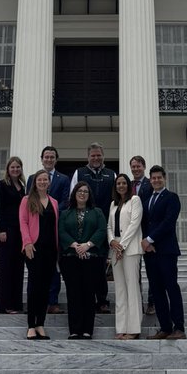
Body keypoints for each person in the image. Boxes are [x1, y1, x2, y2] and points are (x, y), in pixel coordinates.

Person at [141, 164, 186, 339]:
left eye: (159, 177)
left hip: (166, 251)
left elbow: (168, 222)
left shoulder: (172, 198)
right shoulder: (146, 200)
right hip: (150, 253)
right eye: (153, 178)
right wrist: (146, 242)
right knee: (157, 290)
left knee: (171, 287)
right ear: (150, 180)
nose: (156, 180)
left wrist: (150, 239)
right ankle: (165, 327)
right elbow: (143, 224)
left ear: (164, 178)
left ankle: (179, 327)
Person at [70, 143, 116, 312]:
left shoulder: (111, 174)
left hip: (103, 228)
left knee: (100, 264)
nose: (96, 158)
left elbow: (116, 201)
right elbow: (72, 199)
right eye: (93, 155)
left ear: (103, 156)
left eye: (99, 155)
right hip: (84, 227)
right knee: (84, 265)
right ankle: (86, 299)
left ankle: (102, 300)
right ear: (88, 157)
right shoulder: (79, 173)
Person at [59, 181, 106, 339]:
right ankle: (74, 329)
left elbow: (101, 230)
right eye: (79, 191)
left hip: (91, 259)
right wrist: (75, 246)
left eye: (85, 191)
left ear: (89, 195)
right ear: (74, 194)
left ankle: (87, 330)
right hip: (70, 259)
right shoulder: (65, 213)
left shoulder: (97, 212)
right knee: (73, 295)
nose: (82, 194)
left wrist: (87, 245)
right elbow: (62, 231)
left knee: (88, 294)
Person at [27, 145, 70, 314]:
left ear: (56, 159)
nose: (49, 160)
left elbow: (65, 201)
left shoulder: (63, 179)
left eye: (52, 157)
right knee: (36, 268)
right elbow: (28, 200)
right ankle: (37, 301)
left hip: (55, 227)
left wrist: (50, 210)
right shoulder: (32, 178)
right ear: (42, 158)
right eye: (46, 157)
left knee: (53, 267)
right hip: (36, 229)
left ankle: (52, 301)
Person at [19, 169, 59, 339]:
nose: (43, 182)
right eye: (40, 180)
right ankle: (30, 325)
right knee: (34, 287)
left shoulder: (54, 202)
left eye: (45, 180)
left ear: (49, 183)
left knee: (45, 288)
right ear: (35, 182)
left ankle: (40, 323)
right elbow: (23, 222)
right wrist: (27, 242)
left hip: (51, 250)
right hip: (34, 248)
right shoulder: (27, 200)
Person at [108, 173, 143, 339]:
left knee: (132, 287)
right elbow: (109, 226)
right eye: (118, 183)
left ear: (128, 185)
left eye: (123, 183)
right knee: (120, 289)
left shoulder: (135, 200)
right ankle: (121, 327)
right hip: (115, 249)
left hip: (130, 249)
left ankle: (134, 329)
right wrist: (112, 243)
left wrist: (122, 246)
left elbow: (134, 224)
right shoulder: (113, 204)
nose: (121, 186)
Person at [0, 156, 25, 314]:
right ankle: (4, 305)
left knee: (18, 268)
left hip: (20, 232)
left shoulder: (23, 186)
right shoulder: (2, 185)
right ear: (8, 169)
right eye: (12, 167)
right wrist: (1, 230)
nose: (15, 169)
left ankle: (16, 304)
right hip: (6, 232)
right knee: (5, 268)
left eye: (18, 167)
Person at [129, 155, 154, 314]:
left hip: (147, 233)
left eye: (138, 166)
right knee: (134, 271)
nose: (135, 169)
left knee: (151, 271)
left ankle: (152, 302)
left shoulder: (150, 184)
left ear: (143, 167)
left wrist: (151, 237)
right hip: (132, 234)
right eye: (133, 166)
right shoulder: (128, 185)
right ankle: (137, 302)